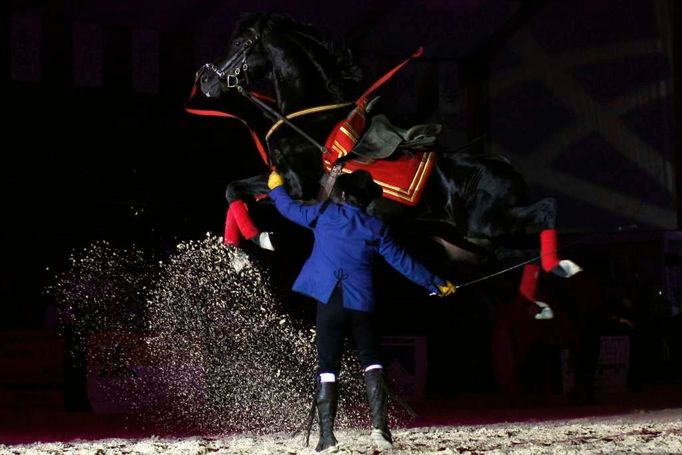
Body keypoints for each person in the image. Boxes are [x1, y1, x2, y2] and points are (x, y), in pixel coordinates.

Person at [268, 168, 455, 452]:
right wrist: (436, 283)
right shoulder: (376, 227)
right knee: (372, 360)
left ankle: (327, 438)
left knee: (327, 367)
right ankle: (380, 431)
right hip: (361, 304)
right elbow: (403, 262)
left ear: (343, 194)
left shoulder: (324, 214)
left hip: (329, 300)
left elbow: (288, 208)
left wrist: (276, 187)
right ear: (368, 201)